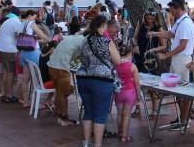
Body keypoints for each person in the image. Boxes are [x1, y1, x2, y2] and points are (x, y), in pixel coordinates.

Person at [76, 15, 122, 147]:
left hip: (83, 79)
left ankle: (85, 144)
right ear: (102, 26)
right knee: (100, 115)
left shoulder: (84, 40)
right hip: (101, 81)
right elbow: (117, 61)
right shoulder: (107, 42)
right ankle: (97, 144)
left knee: (88, 112)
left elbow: (81, 57)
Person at [151, 0, 194, 129]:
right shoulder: (180, 21)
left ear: (179, 9)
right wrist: (154, 34)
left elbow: (183, 45)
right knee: (177, 91)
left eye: (172, 10)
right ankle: (181, 119)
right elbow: (170, 34)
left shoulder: (186, 23)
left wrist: (166, 55)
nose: (171, 13)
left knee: (183, 92)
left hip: (182, 59)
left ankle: (184, 121)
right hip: (178, 59)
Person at [48, 32, 84, 126]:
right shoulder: (84, 43)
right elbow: (81, 57)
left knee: (59, 91)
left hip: (52, 65)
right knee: (63, 93)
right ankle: (64, 118)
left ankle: (59, 112)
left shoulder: (71, 37)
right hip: (61, 67)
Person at [19, 10, 50, 107]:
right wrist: (42, 39)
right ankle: (37, 103)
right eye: (34, 16)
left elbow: (23, 36)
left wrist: (35, 38)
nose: (35, 18)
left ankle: (26, 101)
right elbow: (45, 37)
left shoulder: (22, 23)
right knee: (38, 79)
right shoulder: (32, 23)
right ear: (30, 15)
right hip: (33, 53)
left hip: (23, 52)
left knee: (25, 79)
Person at [114, 44, 141, 143]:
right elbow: (137, 83)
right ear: (130, 53)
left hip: (118, 92)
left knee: (119, 114)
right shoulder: (132, 66)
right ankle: (125, 136)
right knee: (127, 115)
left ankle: (120, 132)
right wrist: (138, 95)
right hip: (130, 92)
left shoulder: (116, 64)